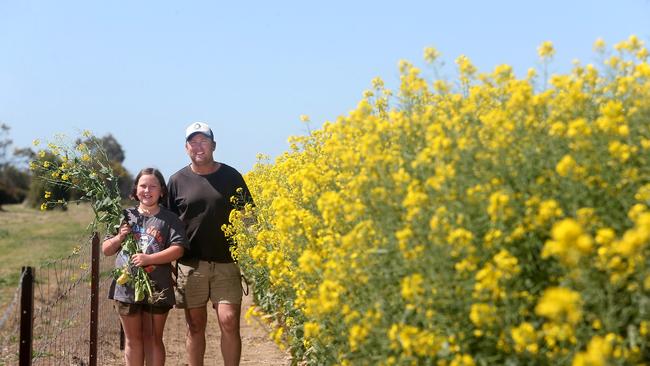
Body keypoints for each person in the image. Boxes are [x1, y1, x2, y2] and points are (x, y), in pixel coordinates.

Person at [167, 122, 254, 366]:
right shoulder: (176, 180)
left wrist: (257, 245)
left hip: (226, 262)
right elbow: (168, 223)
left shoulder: (231, 176)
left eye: (203, 141)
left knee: (228, 321)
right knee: (195, 326)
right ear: (186, 148)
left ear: (213, 145)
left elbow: (249, 215)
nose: (198, 146)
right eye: (193, 142)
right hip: (191, 264)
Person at [102, 168, 188, 366]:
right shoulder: (125, 216)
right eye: (143, 186)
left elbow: (178, 250)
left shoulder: (169, 219)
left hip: (157, 288)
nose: (147, 190)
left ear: (161, 191)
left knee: (153, 339)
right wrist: (120, 236)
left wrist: (149, 259)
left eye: (153, 186)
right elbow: (107, 249)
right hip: (126, 289)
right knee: (133, 340)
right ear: (135, 190)